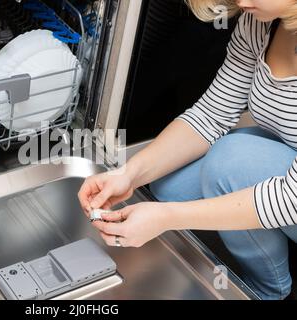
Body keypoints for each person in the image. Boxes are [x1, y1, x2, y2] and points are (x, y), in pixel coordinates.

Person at [78, 0, 297, 300]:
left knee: (229, 161)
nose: (241, 1)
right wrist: (129, 174)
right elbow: (212, 113)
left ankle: (268, 291)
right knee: (171, 186)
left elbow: (291, 199)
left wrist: (167, 217)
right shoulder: (261, 19)